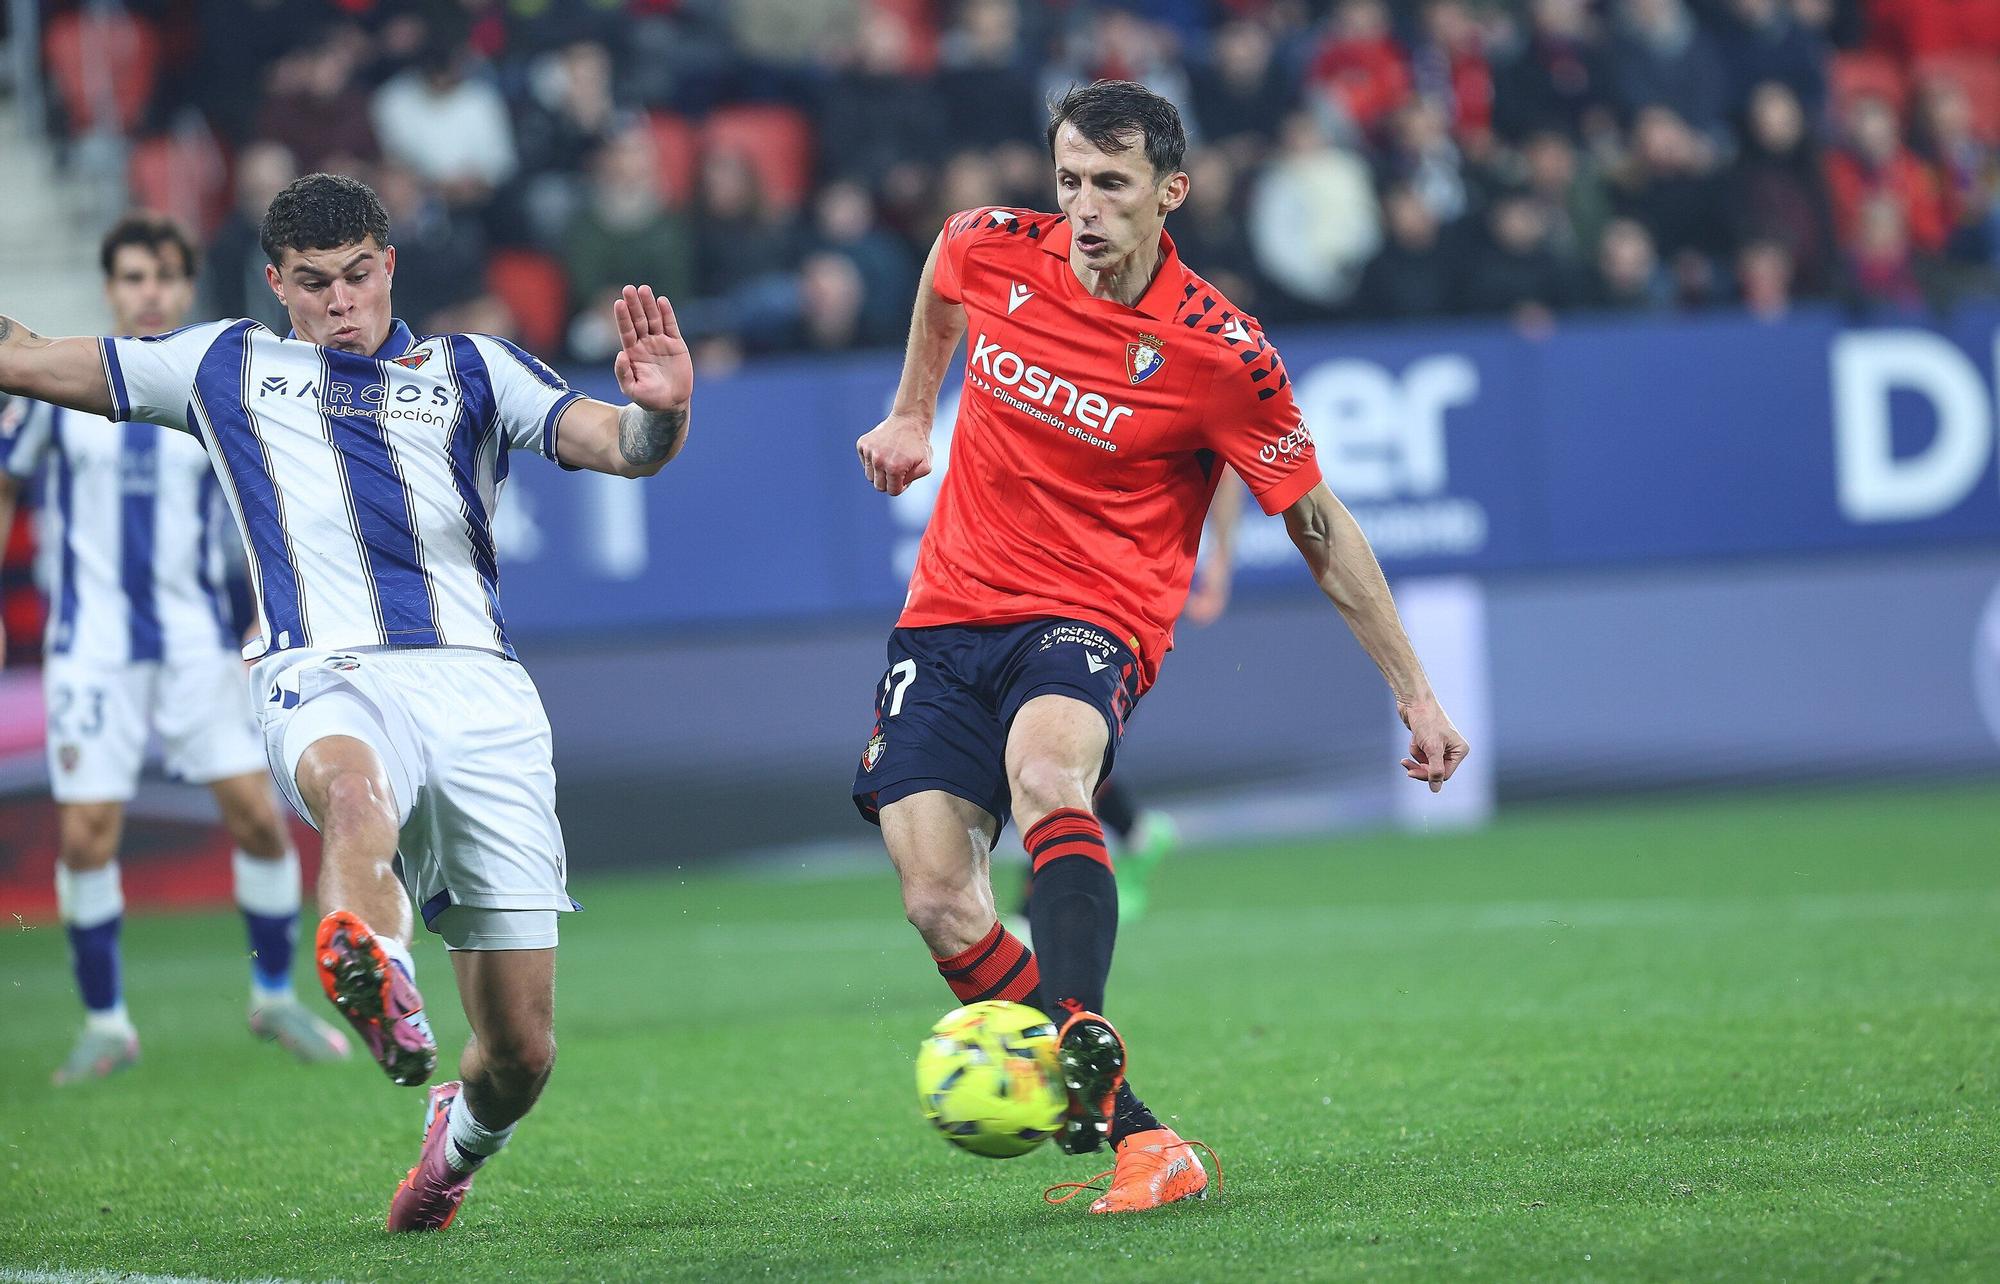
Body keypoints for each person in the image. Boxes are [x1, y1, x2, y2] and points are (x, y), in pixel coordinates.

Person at [0, 174, 694, 1232]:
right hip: (320, 668)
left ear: (389, 268)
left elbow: (622, 448)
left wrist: (663, 410)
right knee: (352, 790)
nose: (340, 302)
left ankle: (455, 1146)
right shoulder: (221, 363)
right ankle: (377, 972)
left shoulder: (472, 367)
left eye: (359, 276)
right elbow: (25, 357)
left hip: (480, 693)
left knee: (520, 1053)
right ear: (276, 283)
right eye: (314, 284)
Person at [852, 81, 1468, 1214]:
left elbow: (1321, 529)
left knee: (1049, 775)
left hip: (1091, 616)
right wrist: (909, 410)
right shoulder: (990, 247)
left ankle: (1078, 1027)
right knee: (938, 899)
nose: (1081, 209)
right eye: (1069, 181)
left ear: (1168, 194)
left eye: (1111, 185)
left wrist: (1413, 692)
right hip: (945, 611)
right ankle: (1141, 1134)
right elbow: (943, 280)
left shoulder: (1219, 352)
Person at [0, 213, 350, 1086]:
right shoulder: (60, 396)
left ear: (184, 286)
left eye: (162, 277)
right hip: (93, 651)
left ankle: (272, 996)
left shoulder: (215, 391)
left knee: (255, 817)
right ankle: (106, 1022)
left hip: (200, 642)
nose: (148, 292)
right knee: (87, 833)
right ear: (110, 289)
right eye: (131, 278)